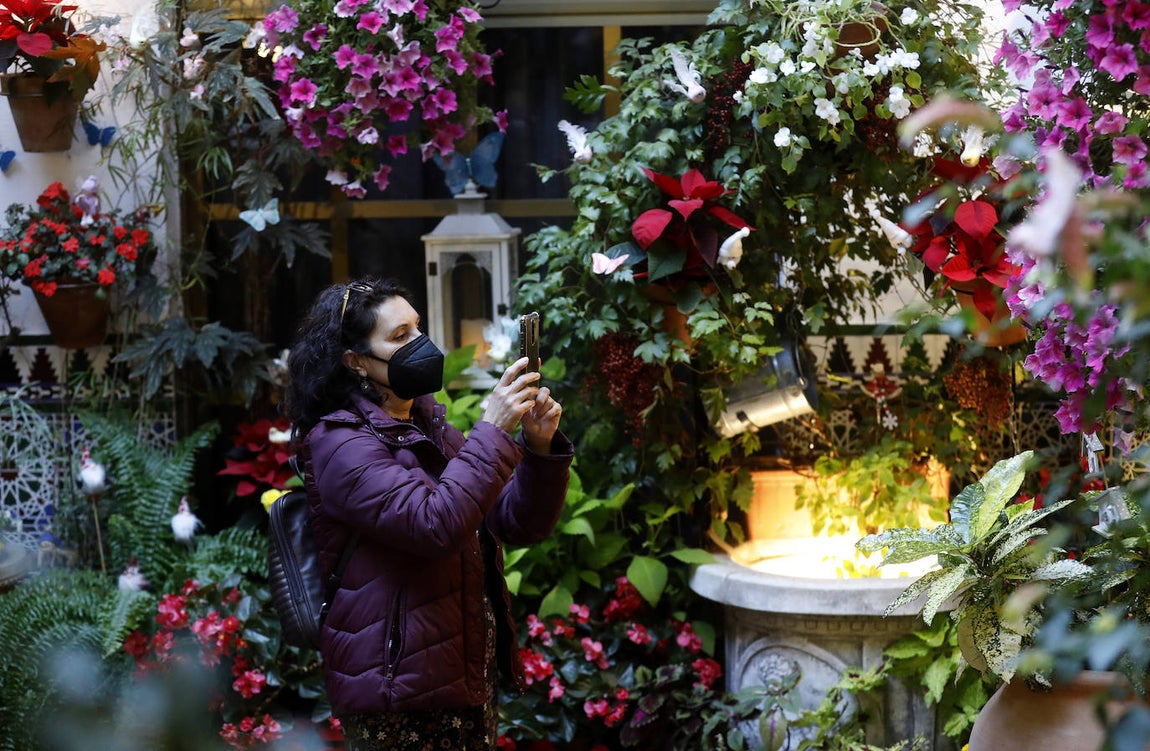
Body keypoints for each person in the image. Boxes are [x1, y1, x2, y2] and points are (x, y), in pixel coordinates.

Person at [284, 278, 572, 750]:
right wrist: (493, 430)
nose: (421, 343)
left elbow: (516, 522)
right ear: (355, 361)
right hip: (399, 691)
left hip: (461, 675)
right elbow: (434, 525)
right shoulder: (339, 444)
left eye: (417, 327)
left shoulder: (427, 425)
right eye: (400, 337)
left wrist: (538, 449)